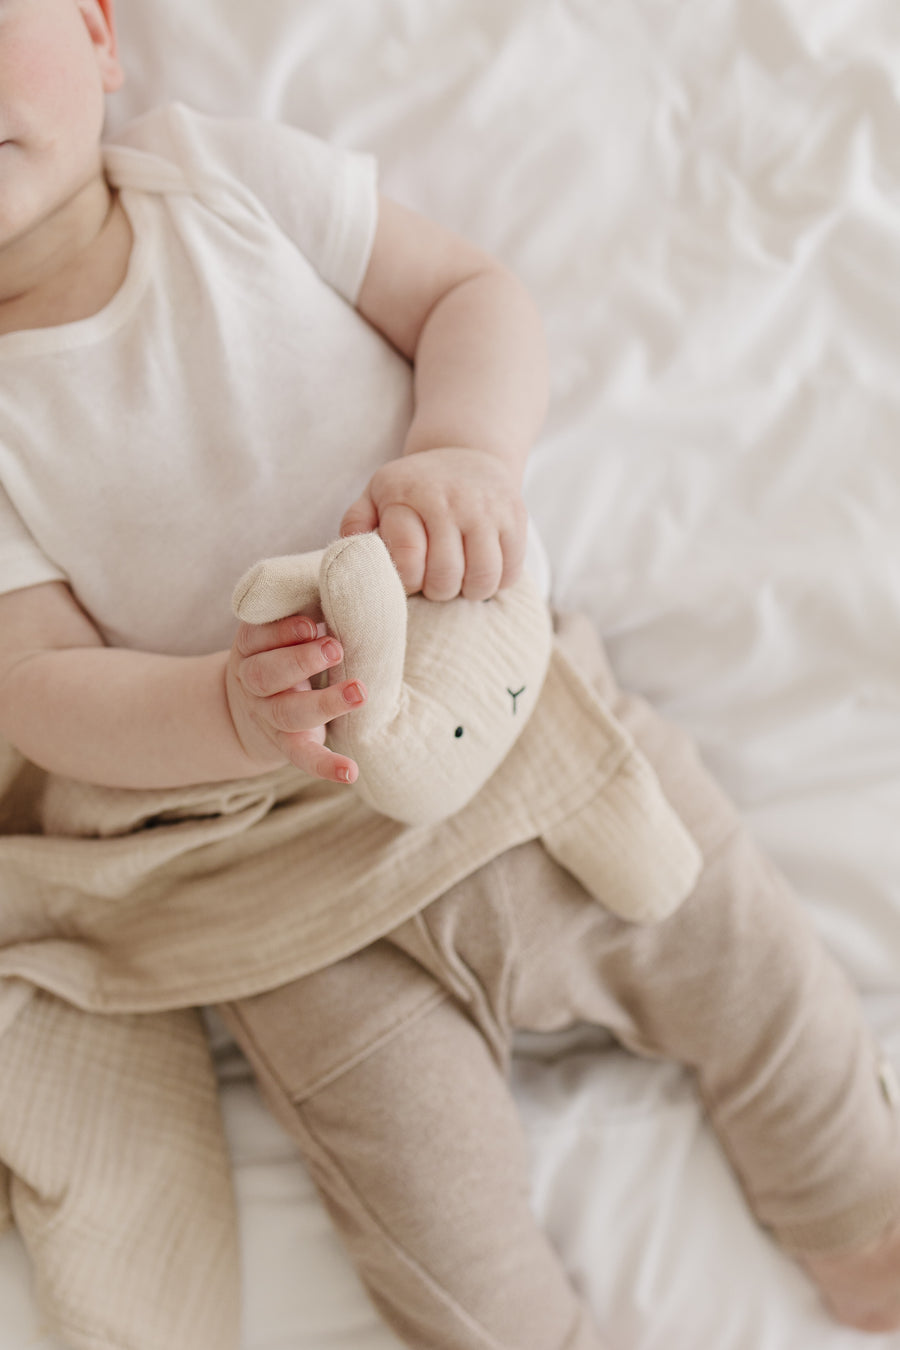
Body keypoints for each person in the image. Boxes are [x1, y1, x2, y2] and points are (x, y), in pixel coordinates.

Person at [0, 1, 899, 1347]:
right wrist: (226, 712)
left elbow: (468, 295)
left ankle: (862, 1222)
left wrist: (467, 449)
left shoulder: (224, 177)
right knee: (442, 1249)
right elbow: (38, 684)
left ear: (98, 34)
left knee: (741, 957)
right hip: (288, 891)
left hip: (526, 748)